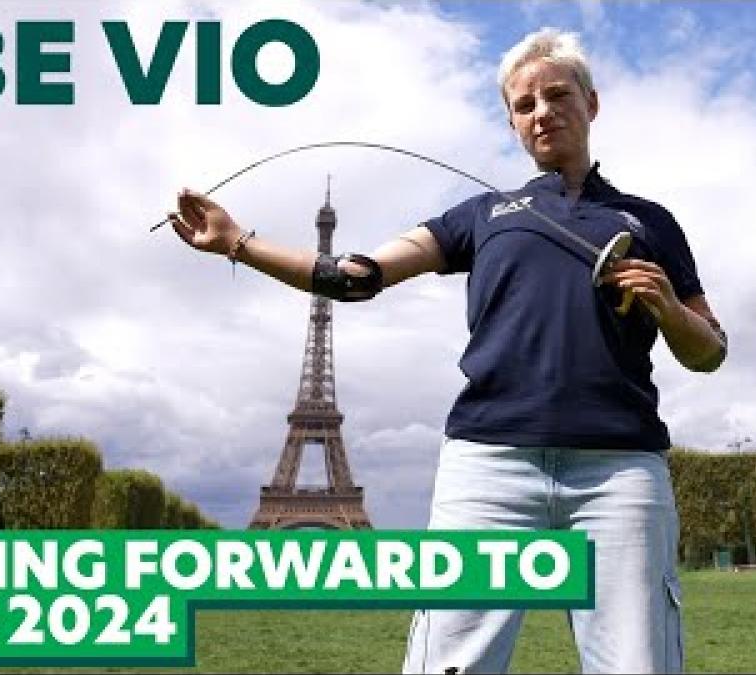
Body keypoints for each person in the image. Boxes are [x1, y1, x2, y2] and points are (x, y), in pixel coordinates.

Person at [169, 28, 725, 675]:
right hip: (489, 467)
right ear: (515, 124)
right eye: (524, 104)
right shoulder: (482, 213)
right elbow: (356, 275)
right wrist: (240, 241)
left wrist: (667, 306)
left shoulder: (647, 220)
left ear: (591, 103)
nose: (541, 111)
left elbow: (710, 351)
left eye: (556, 94)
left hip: (619, 470)